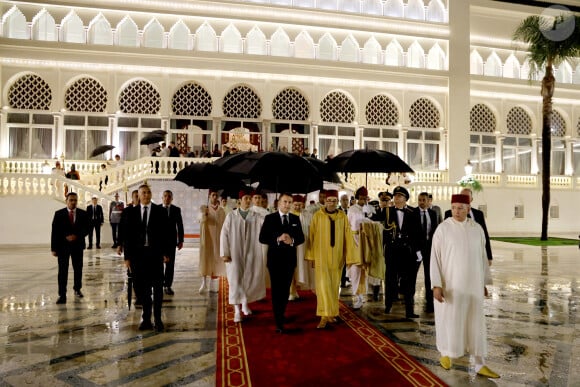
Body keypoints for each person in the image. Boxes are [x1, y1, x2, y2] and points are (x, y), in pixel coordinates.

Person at [430, 194, 499, 379]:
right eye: (453, 208)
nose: (456, 211)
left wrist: (484, 282)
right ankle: (446, 353)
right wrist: (436, 284)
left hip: (473, 286)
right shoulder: (443, 229)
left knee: (475, 324)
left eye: (460, 208)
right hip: (451, 286)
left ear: (468, 209)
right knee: (450, 319)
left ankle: (479, 363)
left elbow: (482, 258)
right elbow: (434, 259)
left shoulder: (477, 229)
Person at [117, 184, 172, 332]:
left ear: (151, 194)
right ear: (139, 195)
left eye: (148, 192)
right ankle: (146, 319)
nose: (146, 195)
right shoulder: (130, 213)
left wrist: (166, 253)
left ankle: (158, 320)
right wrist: (127, 258)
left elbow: (166, 233)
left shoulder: (160, 211)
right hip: (138, 258)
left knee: (158, 289)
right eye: (143, 193)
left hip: (155, 256)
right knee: (143, 290)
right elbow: (127, 237)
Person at [305, 189, 354, 329]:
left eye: (334, 201)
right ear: (324, 201)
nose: (331, 203)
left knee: (334, 286)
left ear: (337, 202)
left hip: (338, 256)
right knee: (322, 286)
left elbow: (348, 237)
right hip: (321, 256)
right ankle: (323, 315)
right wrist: (311, 256)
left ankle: (332, 313)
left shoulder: (342, 217)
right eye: (329, 200)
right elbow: (312, 237)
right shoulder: (318, 216)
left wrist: (349, 256)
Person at [259, 193, 305, 333]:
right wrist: (278, 238)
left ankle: (281, 313)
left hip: (289, 261)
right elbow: (262, 238)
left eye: (289, 202)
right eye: (285, 202)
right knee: (277, 290)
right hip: (274, 261)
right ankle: (278, 320)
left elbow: (301, 238)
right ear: (279, 203)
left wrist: (292, 241)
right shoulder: (270, 218)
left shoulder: (295, 218)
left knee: (285, 290)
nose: (287, 205)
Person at [375, 186, 423, 319]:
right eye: (395, 196)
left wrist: (418, 250)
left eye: (399, 196)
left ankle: (409, 310)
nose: (396, 198)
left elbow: (418, 232)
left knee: (408, 282)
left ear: (405, 199)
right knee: (390, 279)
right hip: (392, 250)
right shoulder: (387, 211)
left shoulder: (413, 212)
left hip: (407, 251)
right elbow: (376, 218)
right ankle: (388, 306)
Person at [220, 189, 266, 323]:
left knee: (249, 279)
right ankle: (236, 311)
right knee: (235, 281)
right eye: (246, 198)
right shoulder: (231, 216)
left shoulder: (255, 216)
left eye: (249, 198)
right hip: (234, 253)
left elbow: (266, 227)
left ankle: (245, 304)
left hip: (252, 252)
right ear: (240, 200)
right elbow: (224, 235)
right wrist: (225, 254)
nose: (248, 200)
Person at [51, 192, 89, 304]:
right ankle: (62, 294)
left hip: (77, 246)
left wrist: (77, 235)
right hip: (63, 247)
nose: (73, 202)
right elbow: (55, 232)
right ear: (66, 200)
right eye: (71, 200)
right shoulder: (59, 214)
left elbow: (87, 228)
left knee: (78, 269)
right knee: (62, 271)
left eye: (75, 200)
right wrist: (54, 248)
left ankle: (77, 289)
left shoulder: (83, 213)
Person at [444, 188, 493, 265]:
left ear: (472, 199)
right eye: (462, 196)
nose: (464, 198)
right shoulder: (449, 213)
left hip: (475, 254)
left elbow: (484, 235)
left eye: (467, 196)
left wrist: (489, 256)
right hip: (457, 255)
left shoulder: (479, 214)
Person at [414, 192, 439, 313]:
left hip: (429, 248)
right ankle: (409, 302)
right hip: (416, 249)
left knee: (430, 276)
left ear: (428, 200)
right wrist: (415, 249)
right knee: (412, 276)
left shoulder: (433, 214)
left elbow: (435, 231)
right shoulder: (413, 213)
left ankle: (430, 302)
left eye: (423, 200)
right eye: (419, 200)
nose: (421, 202)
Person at [347, 186, 371, 309]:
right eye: (361, 198)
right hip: (354, 242)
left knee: (364, 270)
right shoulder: (352, 209)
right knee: (355, 270)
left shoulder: (369, 209)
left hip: (365, 242)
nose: (362, 201)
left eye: (365, 198)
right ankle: (357, 296)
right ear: (357, 198)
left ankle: (363, 295)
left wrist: (368, 214)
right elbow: (348, 226)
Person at [199, 189, 226, 293]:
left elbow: (224, 225)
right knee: (205, 259)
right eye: (213, 195)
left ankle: (212, 284)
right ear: (209, 196)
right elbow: (200, 221)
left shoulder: (221, 210)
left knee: (216, 260)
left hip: (218, 238)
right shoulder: (204, 209)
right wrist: (204, 214)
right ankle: (203, 282)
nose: (214, 197)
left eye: (216, 195)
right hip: (207, 238)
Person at [161, 190, 184, 296]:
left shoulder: (176, 210)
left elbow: (180, 225)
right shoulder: (156, 209)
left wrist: (181, 240)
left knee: (170, 265)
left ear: (172, 198)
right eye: (165, 196)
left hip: (171, 242)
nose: (167, 198)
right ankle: (159, 284)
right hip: (159, 242)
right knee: (159, 265)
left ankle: (168, 285)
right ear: (162, 197)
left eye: (169, 196)